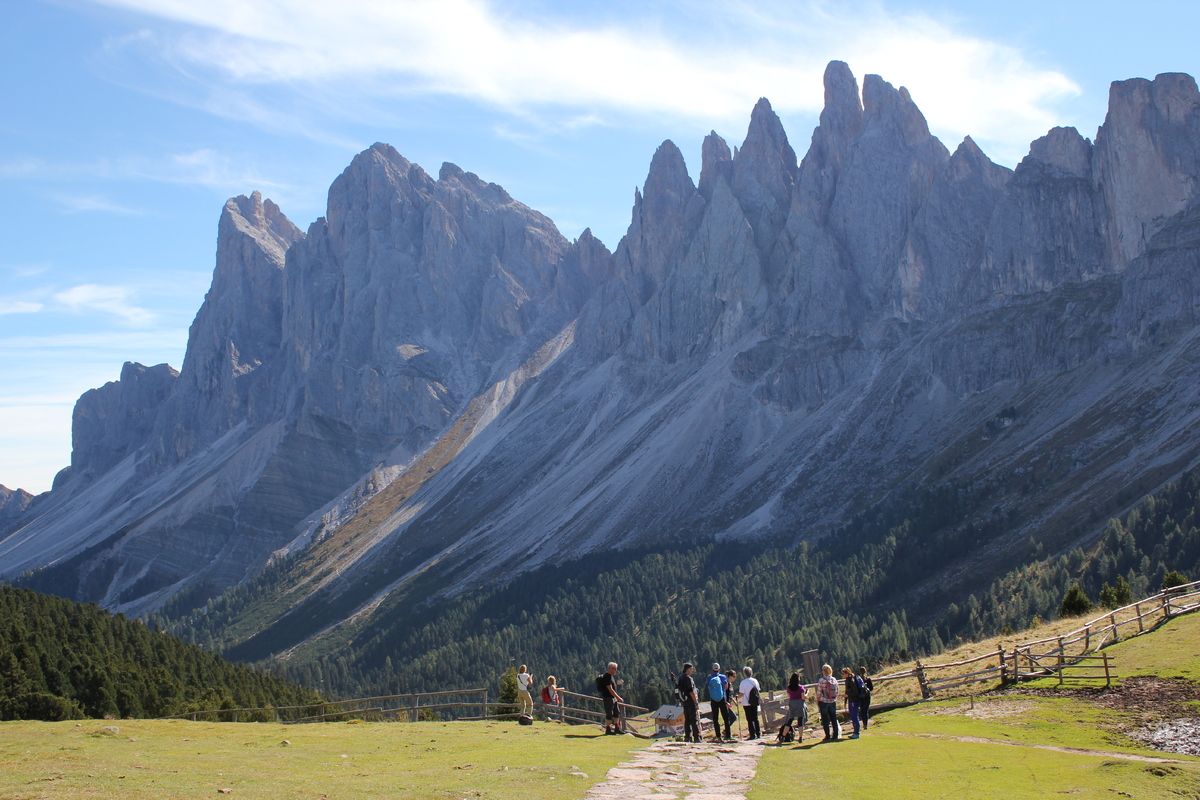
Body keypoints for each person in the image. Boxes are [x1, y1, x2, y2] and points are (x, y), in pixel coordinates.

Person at [706, 663, 733, 742]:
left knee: (715, 718)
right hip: (722, 699)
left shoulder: (709, 677)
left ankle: (718, 736)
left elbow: (708, 687)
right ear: (719, 669)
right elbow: (726, 687)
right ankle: (728, 735)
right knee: (725, 718)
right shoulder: (723, 677)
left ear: (712, 669)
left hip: (713, 700)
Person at [779, 672, 808, 743]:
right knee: (800, 721)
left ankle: (783, 736)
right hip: (799, 704)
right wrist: (807, 692)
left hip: (792, 704)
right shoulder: (801, 688)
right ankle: (800, 737)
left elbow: (790, 696)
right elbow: (803, 697)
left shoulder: (789, 688)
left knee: (789, 721)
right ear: (798, 679)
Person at [677, 662, 701, 743]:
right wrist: (696, 701)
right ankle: (697, 738)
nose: (692, 670)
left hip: (684, 701)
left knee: (687, 720)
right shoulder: (688, 678)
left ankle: (687, 737)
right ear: (687, 669)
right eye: (691, 669)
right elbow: (691, 691)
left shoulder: (680, 678)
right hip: (690, 701)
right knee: (694, 720)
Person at [598, 662, 624, 735]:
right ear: (609, 668)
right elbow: (610, 689)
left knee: (616, 712)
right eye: (613, 668)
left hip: (612, 698)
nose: (615, 670)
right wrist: (618, 697)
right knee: (609, 713)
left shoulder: (611, 676)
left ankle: (617, 728)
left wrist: (616, 698)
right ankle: (608, 730)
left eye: (615, 669)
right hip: (608, 698)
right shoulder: (607, 676)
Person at [817, 664, 840, 741]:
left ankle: (827, 736)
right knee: (834, 719)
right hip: (833, 702)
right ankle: (835, 735)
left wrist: (818, 700)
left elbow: (819, 693)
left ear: (823, 671)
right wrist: (834, 698)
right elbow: (837, 691)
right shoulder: (834, 679)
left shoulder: (821, 680)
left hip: (824, 702)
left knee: (825, 720)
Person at [738, 666, 762, 740]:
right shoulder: (755, 681)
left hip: (746, 703)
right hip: (754, 702)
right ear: (751, 673)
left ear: (744, 674)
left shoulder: (743, 682)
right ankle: (758, 733)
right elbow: (758, 691)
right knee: (755, 718)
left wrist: (737, 698)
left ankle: (752, 734)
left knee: (749, 719)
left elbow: (741, 694)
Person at [842, 666, 865, 739]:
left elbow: (854, 692)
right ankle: (855, 732)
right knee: (854, 716)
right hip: (853, 700)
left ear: (846, 673)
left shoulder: (850, 680)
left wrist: (847, 694)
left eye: (843, 673)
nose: (842, 675)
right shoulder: (851, 678)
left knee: (854, 716)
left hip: (853, 700)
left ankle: (856, 733)